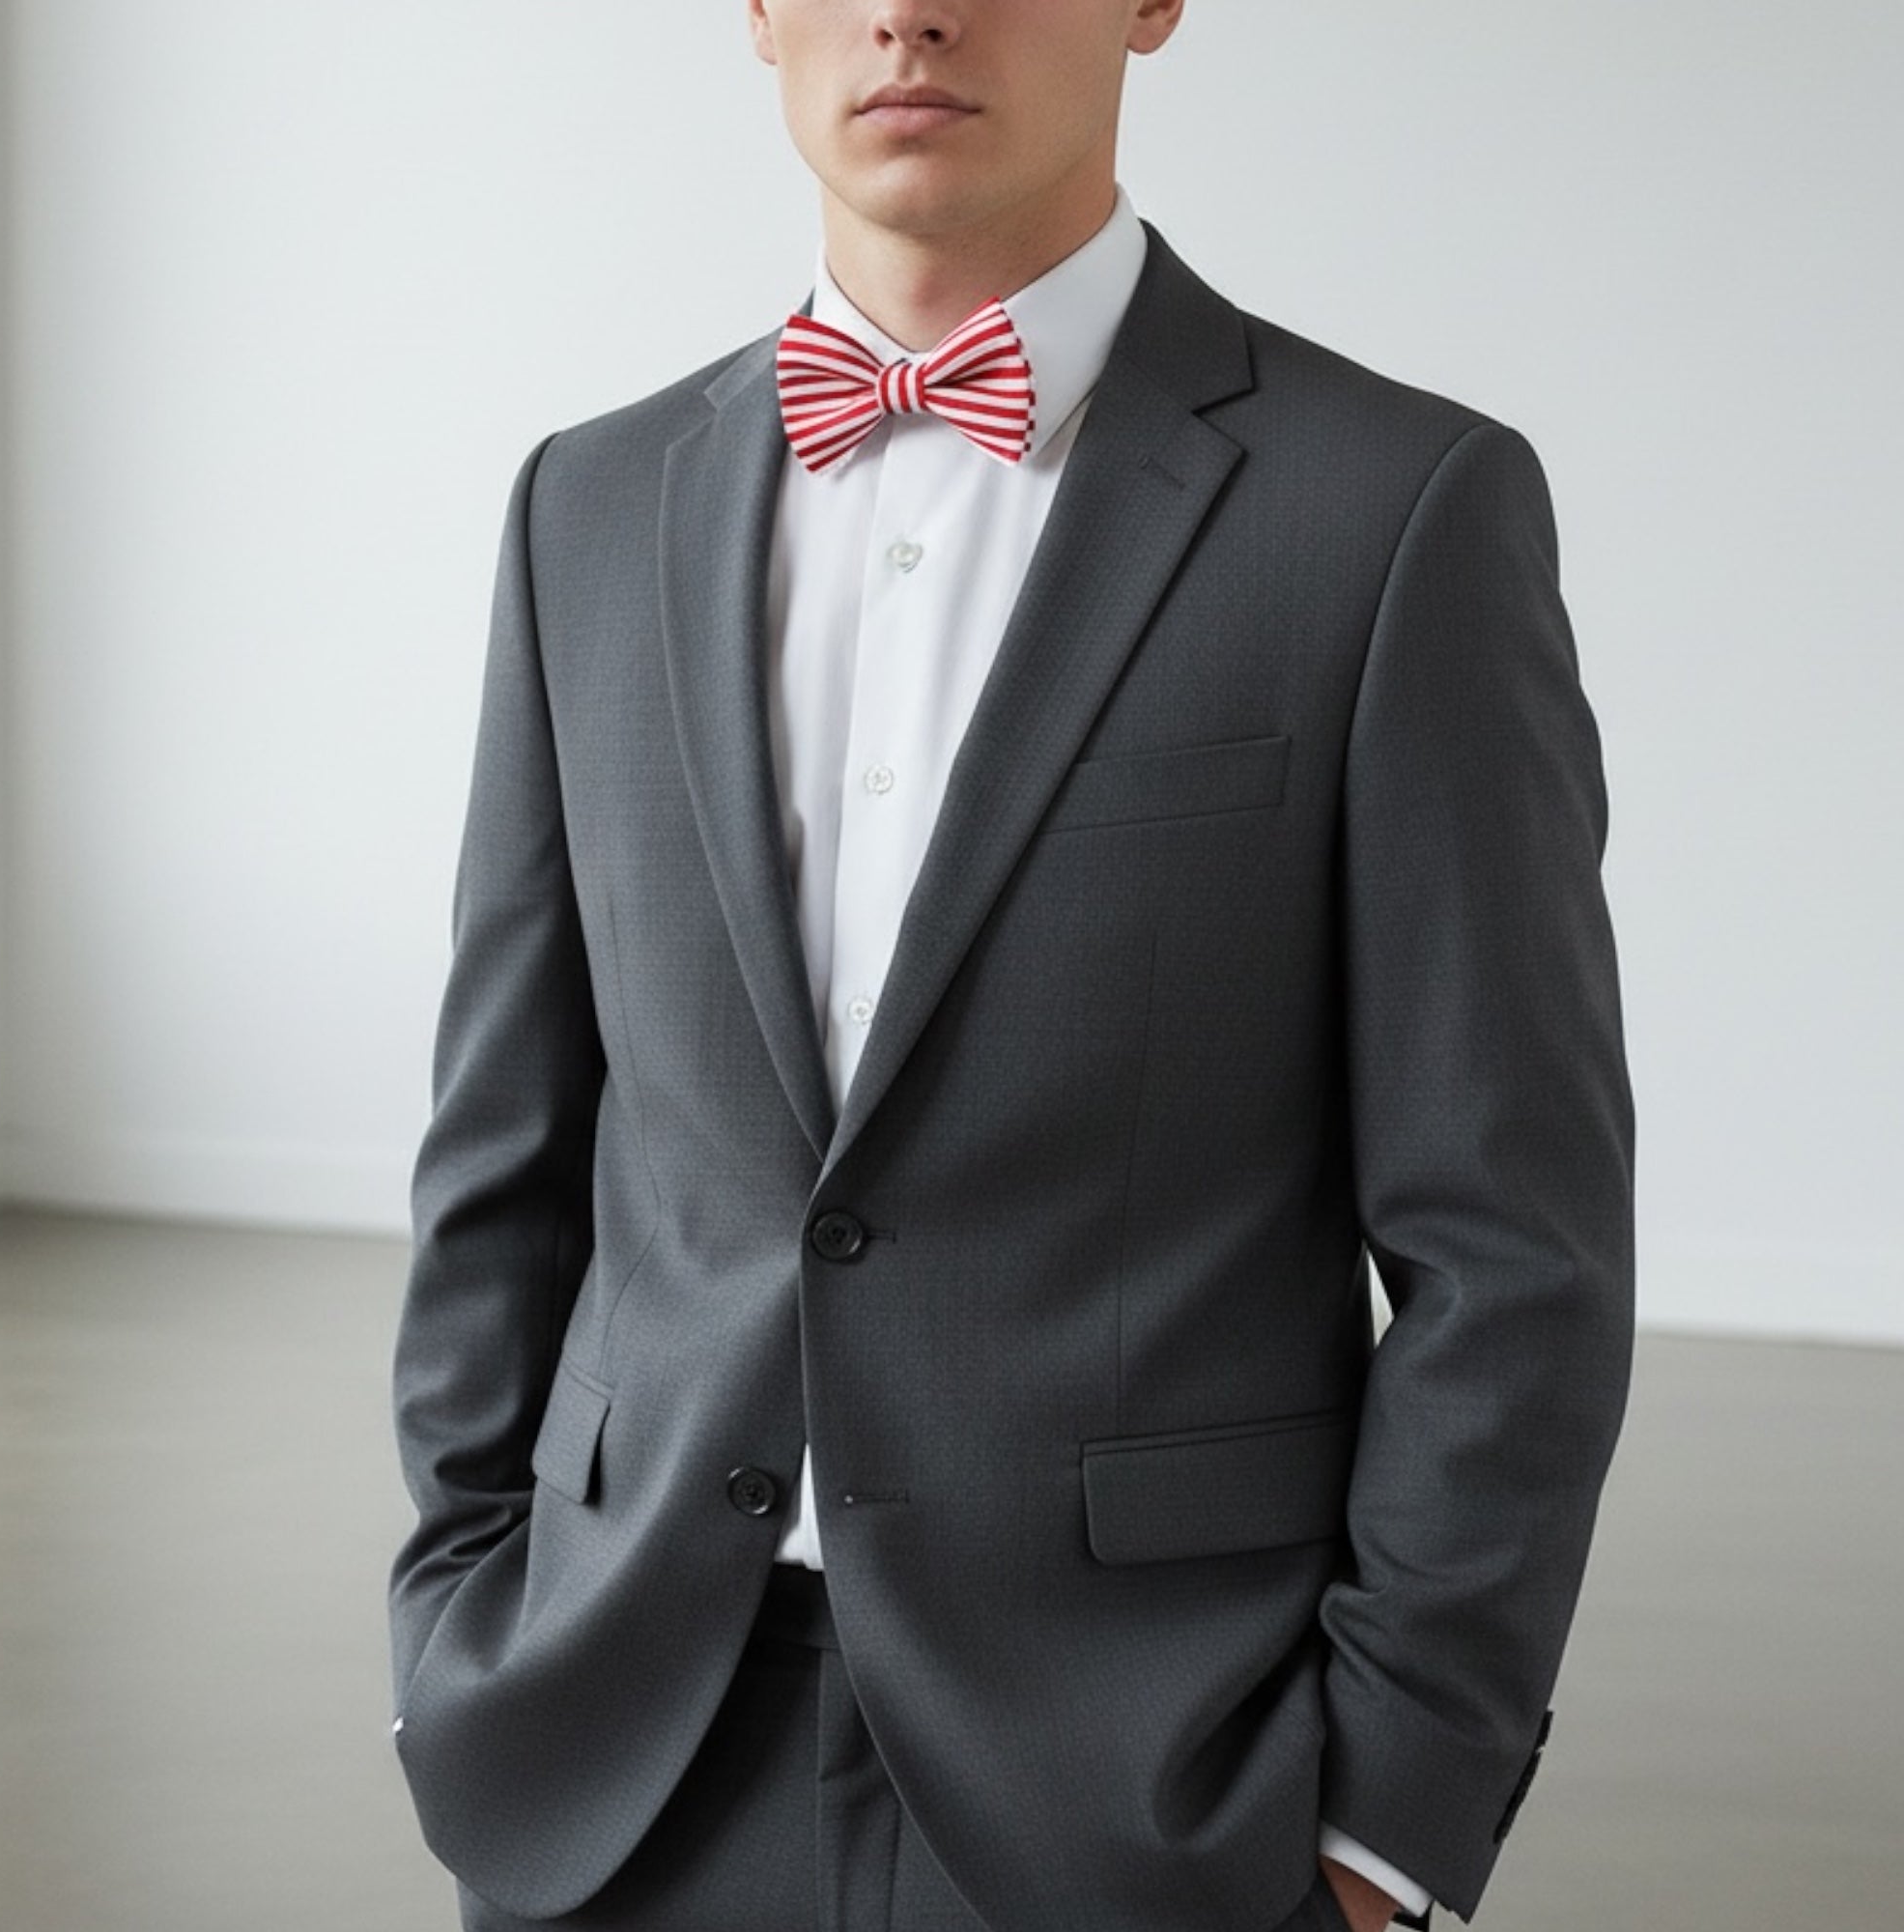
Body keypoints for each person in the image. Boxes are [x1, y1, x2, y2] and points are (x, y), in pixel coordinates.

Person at [386, 3, 1636, 1928]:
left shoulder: (1393, 512)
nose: (911, 8)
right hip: (614, 1755)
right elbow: (505, 1162)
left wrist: (1385, 1820)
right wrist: (462, 1620)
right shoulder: (590, 505)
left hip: (1153, 1782)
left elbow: (1513, 1245)